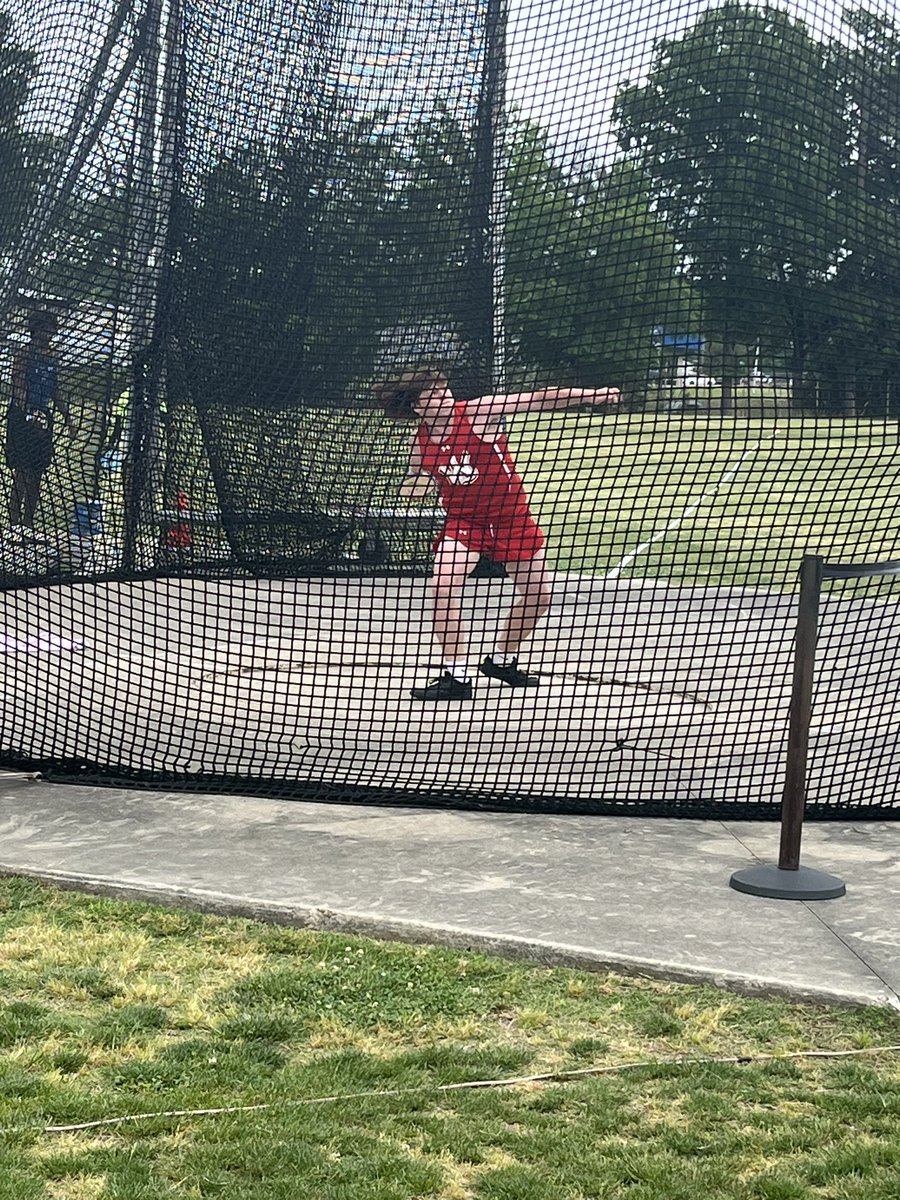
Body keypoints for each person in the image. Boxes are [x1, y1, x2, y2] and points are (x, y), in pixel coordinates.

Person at [375, 369, 620, 701]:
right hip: (464, 523)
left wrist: (590, 395)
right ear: (418, 407)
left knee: (539, 596)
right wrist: (416, 485)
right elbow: (414, 478)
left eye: (444, 388)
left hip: (510, 518)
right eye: (433, 393)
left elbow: (537, 399)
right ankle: (456, 677)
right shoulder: (419, 440)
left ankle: (501, 660)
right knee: (442, 586)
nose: (444, 395)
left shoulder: (478, 412)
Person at [5, 309, 73, 531]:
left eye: (53, 328)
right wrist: (28, 415)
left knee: (37, 472)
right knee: (22, 472)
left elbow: (55, 389)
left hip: (43, 415)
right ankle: (14, 526)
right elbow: (19, 385)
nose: (51, 333)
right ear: (36, 330)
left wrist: (67, 417)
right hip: (22, 417)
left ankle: (28, 523)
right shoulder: (25, 353)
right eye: (46, 328)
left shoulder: (52, 355)